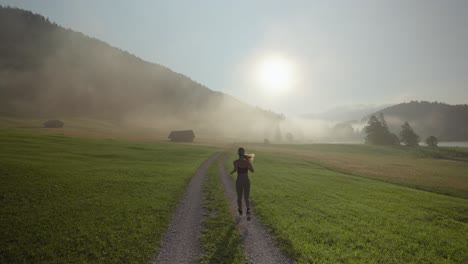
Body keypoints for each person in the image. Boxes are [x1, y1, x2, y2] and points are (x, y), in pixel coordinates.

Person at [230, 147, 254, 216]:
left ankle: (240, 210)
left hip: (239, 180)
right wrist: (247, 167)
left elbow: (236, 169)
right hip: (246, 180)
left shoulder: (235, 162)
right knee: (247, 197)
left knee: (239, 197)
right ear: (244, 153)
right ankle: (248, 210)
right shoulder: (247, 162)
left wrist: (232, 172)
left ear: (238, 154)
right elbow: (252, 171)